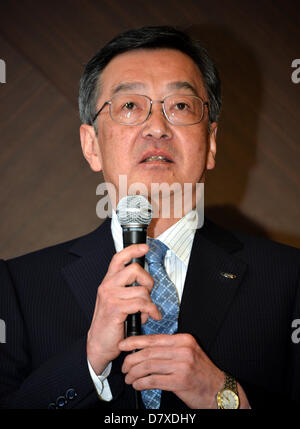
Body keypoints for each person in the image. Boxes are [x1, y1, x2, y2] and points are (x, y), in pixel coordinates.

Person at [0, 26, 299, 410]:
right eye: (129, 107)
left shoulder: (289, 279)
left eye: (180, 106)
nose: (157, 127)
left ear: (210, 143)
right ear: (91, 146)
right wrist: (88, 360)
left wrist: (226, 397)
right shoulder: (19, 288)